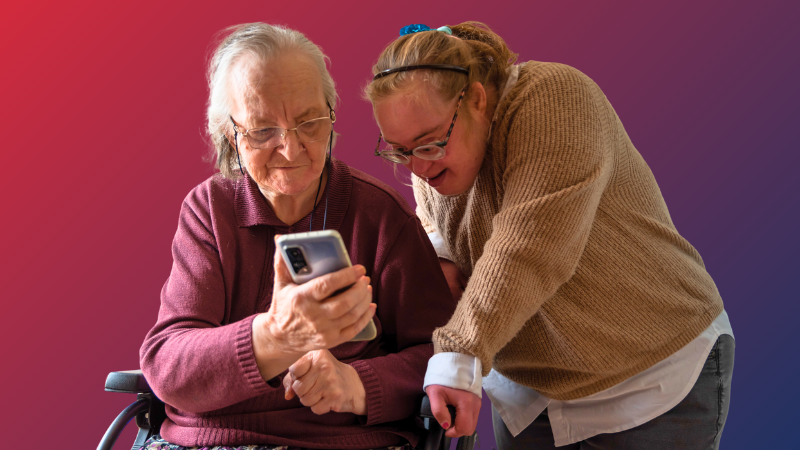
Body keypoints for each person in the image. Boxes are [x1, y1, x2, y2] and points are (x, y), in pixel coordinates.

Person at [364, 22, 734, 449]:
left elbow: (527, 248)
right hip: (533, 397)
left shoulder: (555, 98)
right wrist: (443, 257)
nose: (419, 168)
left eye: (429, 144)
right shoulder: (431, 156)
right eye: (401, 151)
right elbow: (438, 221)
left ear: (478, 100)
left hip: (651, 379)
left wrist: (458, 353)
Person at [139, 23, 456, 450]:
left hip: (341, 441)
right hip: (210, 441)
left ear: (332, 113)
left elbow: (441, 354)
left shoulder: (382, 216)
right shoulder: (209, 210)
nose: (291, 149)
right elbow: (167, 364)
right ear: (230, 134)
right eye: (262, 130)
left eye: (309, 122)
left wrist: (355, 384)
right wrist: (273, 337)